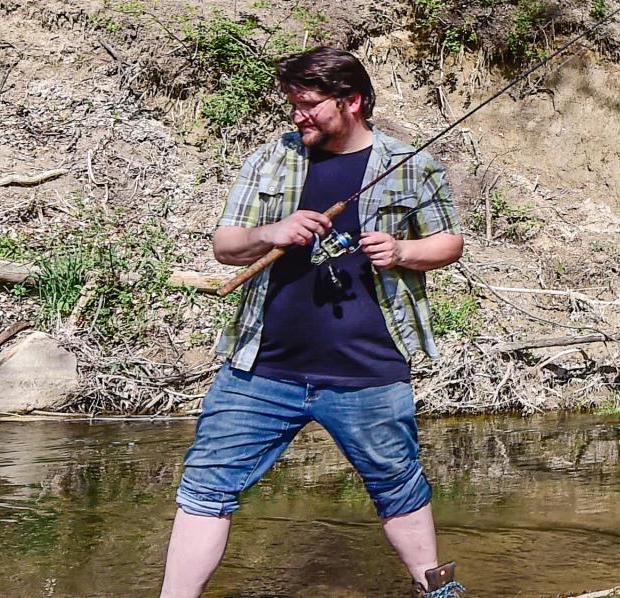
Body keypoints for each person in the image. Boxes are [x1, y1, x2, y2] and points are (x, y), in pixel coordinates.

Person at [163, 46, 467, 598]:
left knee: (400, 492)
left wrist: (402, 250)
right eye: (293, 105)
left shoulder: (412, 164)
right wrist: (270, 234)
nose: (298, 116)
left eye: (309, 106)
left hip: (369, 370)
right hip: (261, 368)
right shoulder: (271, 159)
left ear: (351, 101)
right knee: (205, 489)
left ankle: (439, 594)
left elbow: (450, 243)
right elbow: (225, 245)